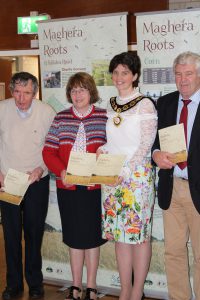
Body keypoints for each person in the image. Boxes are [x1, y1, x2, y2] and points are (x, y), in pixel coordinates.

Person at [42, 72, 107, 300]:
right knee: (74, 237)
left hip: (94, 188)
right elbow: (48, 151)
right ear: (69, 94)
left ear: (91, 92)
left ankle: (91, 286)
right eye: (73, 90)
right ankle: (76, 285)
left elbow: (113, 147)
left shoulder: (103, 117)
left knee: (92, 237)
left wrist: (104, 153)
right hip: (67, 187)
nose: (77, 94)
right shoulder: (60, 118)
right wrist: (61, 171)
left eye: (82, 89)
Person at [99, 51, 157, 300]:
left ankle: (136, 291)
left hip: (136, 179)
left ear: (134, 75)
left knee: (138, 236)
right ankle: (124, 290)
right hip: (113, 179)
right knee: (120, 237)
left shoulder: (144, 103)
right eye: (115, 72)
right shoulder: (110, 104)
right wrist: (103, 150)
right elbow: (113, 141)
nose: (119, 77)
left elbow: (145, 146)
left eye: (125, 72)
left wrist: (124, 170)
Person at [0, 72, 56, 300]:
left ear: (35, 93)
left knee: (34, 234)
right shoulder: (2, 109)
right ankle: (13, 284)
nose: (21, 98)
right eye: (17, 92)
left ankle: (34, 282)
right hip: (8, 181)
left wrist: (41, 169)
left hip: (36, 181)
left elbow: (52, 148)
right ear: (11, 91)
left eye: (27, 93)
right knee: (11, 235)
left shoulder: (47, 113)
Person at [152, 51, 200, 300]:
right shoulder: (166, 102)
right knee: (173, 252)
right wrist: (157, 154)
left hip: (198, 190)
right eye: (179, 74)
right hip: (173, 187)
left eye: (189, 73)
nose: (183, 79)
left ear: (199, 75)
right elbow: (154, 142)